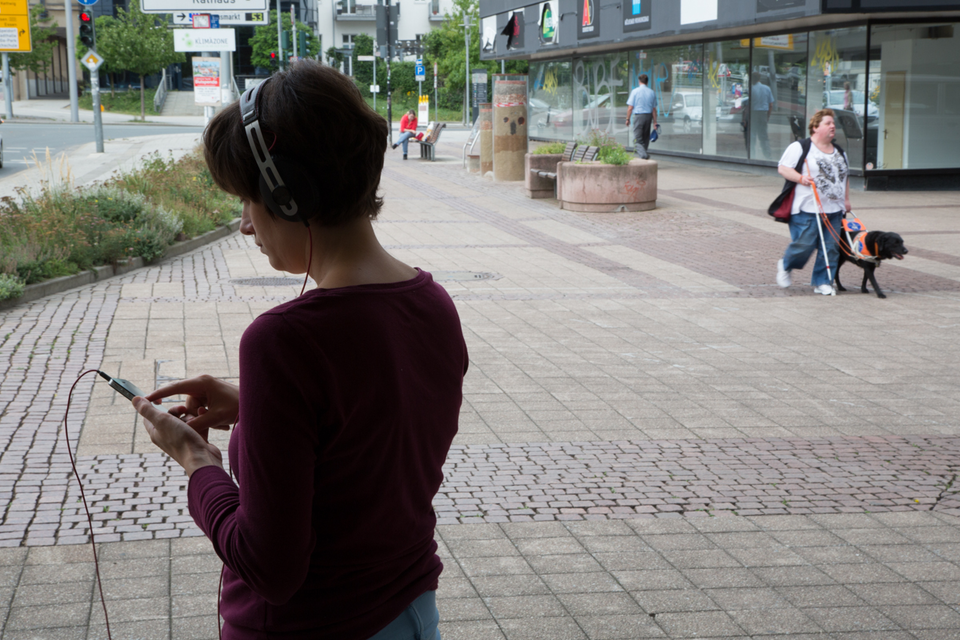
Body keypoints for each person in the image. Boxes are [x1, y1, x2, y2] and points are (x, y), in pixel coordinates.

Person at [131, 61, 468, 639]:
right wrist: (258, 406)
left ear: (287, 196)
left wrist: (197, 461)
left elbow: (271, 568)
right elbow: (368, 434)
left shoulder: (283, 341)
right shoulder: (433, 304)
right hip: (412, 613)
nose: (244, 225)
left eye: (248, 200)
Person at [776, 108, 851, 296]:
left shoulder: (839, 151)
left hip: (834, 209)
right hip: (807, 208)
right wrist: (801, 178)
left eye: (833, 124)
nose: (833, 126)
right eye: (828, 123)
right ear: (815, 127)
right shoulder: (800, 147)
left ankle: (823, 282)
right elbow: (783, 168)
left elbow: (844, 177)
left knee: (831, 247)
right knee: (804, 245)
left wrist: (846, 200)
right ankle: (786, 264)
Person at [625, 74, 657, 159]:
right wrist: (655, 122)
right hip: (649, 117)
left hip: (639, 117)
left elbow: (630, 108)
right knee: (645, 138)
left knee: (637, 140)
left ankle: (644, 155)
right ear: (647, 82)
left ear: (639, 81)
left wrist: (628, 119)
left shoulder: (635, 91)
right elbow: (654, 109)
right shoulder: (652, 92)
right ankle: (644, 158)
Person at [750, 74, 776, 159]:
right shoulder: (767, 88)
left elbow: (748, 104)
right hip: (763, 113)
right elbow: (771, 104)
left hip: (754, 113)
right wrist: (768, 116)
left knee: (752, 135)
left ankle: (752, 154)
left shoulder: (751, 89)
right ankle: (767, 155)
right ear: (759, 78)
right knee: (764, 136)